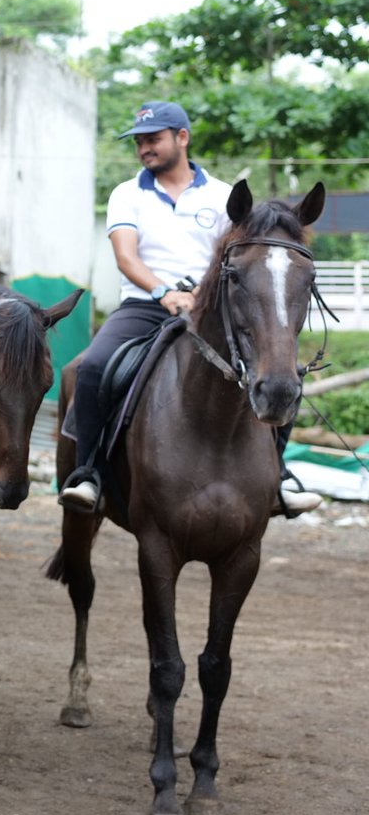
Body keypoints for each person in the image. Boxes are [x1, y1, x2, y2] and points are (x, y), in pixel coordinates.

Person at [60, 102, 322, 516]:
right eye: (140, 141)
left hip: (209, 312)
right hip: (143, 306)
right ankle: (88, 473)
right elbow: (126, 258)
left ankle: (279, 475)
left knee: (281, 369)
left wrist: (200, 294)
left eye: (154, 139)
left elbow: (238, 259)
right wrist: (165, 291)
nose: (145, 148)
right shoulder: (126, 194)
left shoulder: (223, 196)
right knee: (89, 368)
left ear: (182, 138)